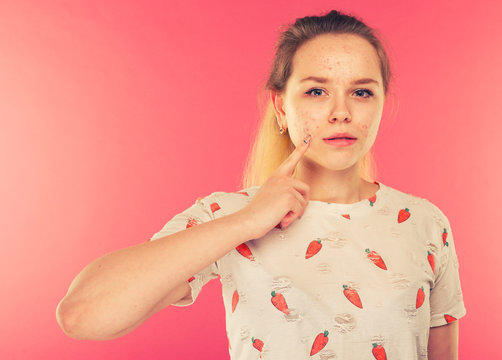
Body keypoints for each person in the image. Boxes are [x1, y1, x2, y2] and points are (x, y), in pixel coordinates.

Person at [56, 9, 466, 359]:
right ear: (280, 107)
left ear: (380, 103)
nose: (341, 112)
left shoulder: (426, 224)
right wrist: (247, 222)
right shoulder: (229, 216)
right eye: (316, 91)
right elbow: (82, 315)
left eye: (361, 92)